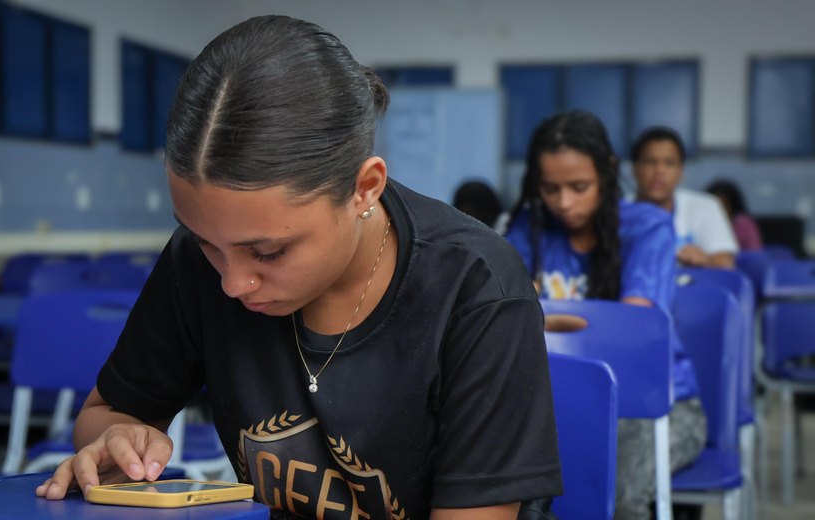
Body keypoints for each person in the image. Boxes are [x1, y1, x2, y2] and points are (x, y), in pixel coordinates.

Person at [34, 15, 562, 519]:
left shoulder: (476, 288)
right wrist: (118, 442)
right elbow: (110, 413)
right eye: (205, 243)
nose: (232, 282)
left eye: (269, 253)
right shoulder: (197, 263)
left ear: (364, 188)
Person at [505, 110, 706, 520]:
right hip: (557, 402)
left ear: (608, 172)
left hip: (657, 406)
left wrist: (540, 315)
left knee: (617, 494)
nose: (564, 203)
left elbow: (630, 334)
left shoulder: (648, 227)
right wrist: (573, 320)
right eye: (550, 188)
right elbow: (500, 316)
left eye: (579, 186)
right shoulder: (530, 227)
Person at [631, 127, 738, 268]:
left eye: (669, 163)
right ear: (635, 169)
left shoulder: (707, 206)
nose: (659, 170)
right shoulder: (616, 211)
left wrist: (706, 261)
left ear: (681, 171)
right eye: (651, 162)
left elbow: (727, 264)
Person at [707, 179, 763, 251]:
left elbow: (755, 251)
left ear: (733, 206)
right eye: (716, 207)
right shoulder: (703, 223)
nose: (720, 210)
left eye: (724, 206)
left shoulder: (743, 222)